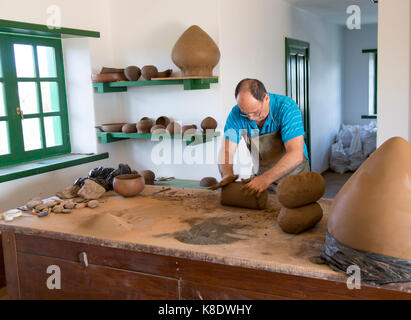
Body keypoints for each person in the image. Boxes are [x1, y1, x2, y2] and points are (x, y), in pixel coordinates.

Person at [212, 79, 310, 195]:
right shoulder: (236, 114)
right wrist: (227, 174)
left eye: (256, 112)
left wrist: (265, 179)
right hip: (263, 179)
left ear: (266, 99)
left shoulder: (286, 108)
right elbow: (227, 150)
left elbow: (295, 154)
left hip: (295, 178)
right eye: (245, 113)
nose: (251, 118)